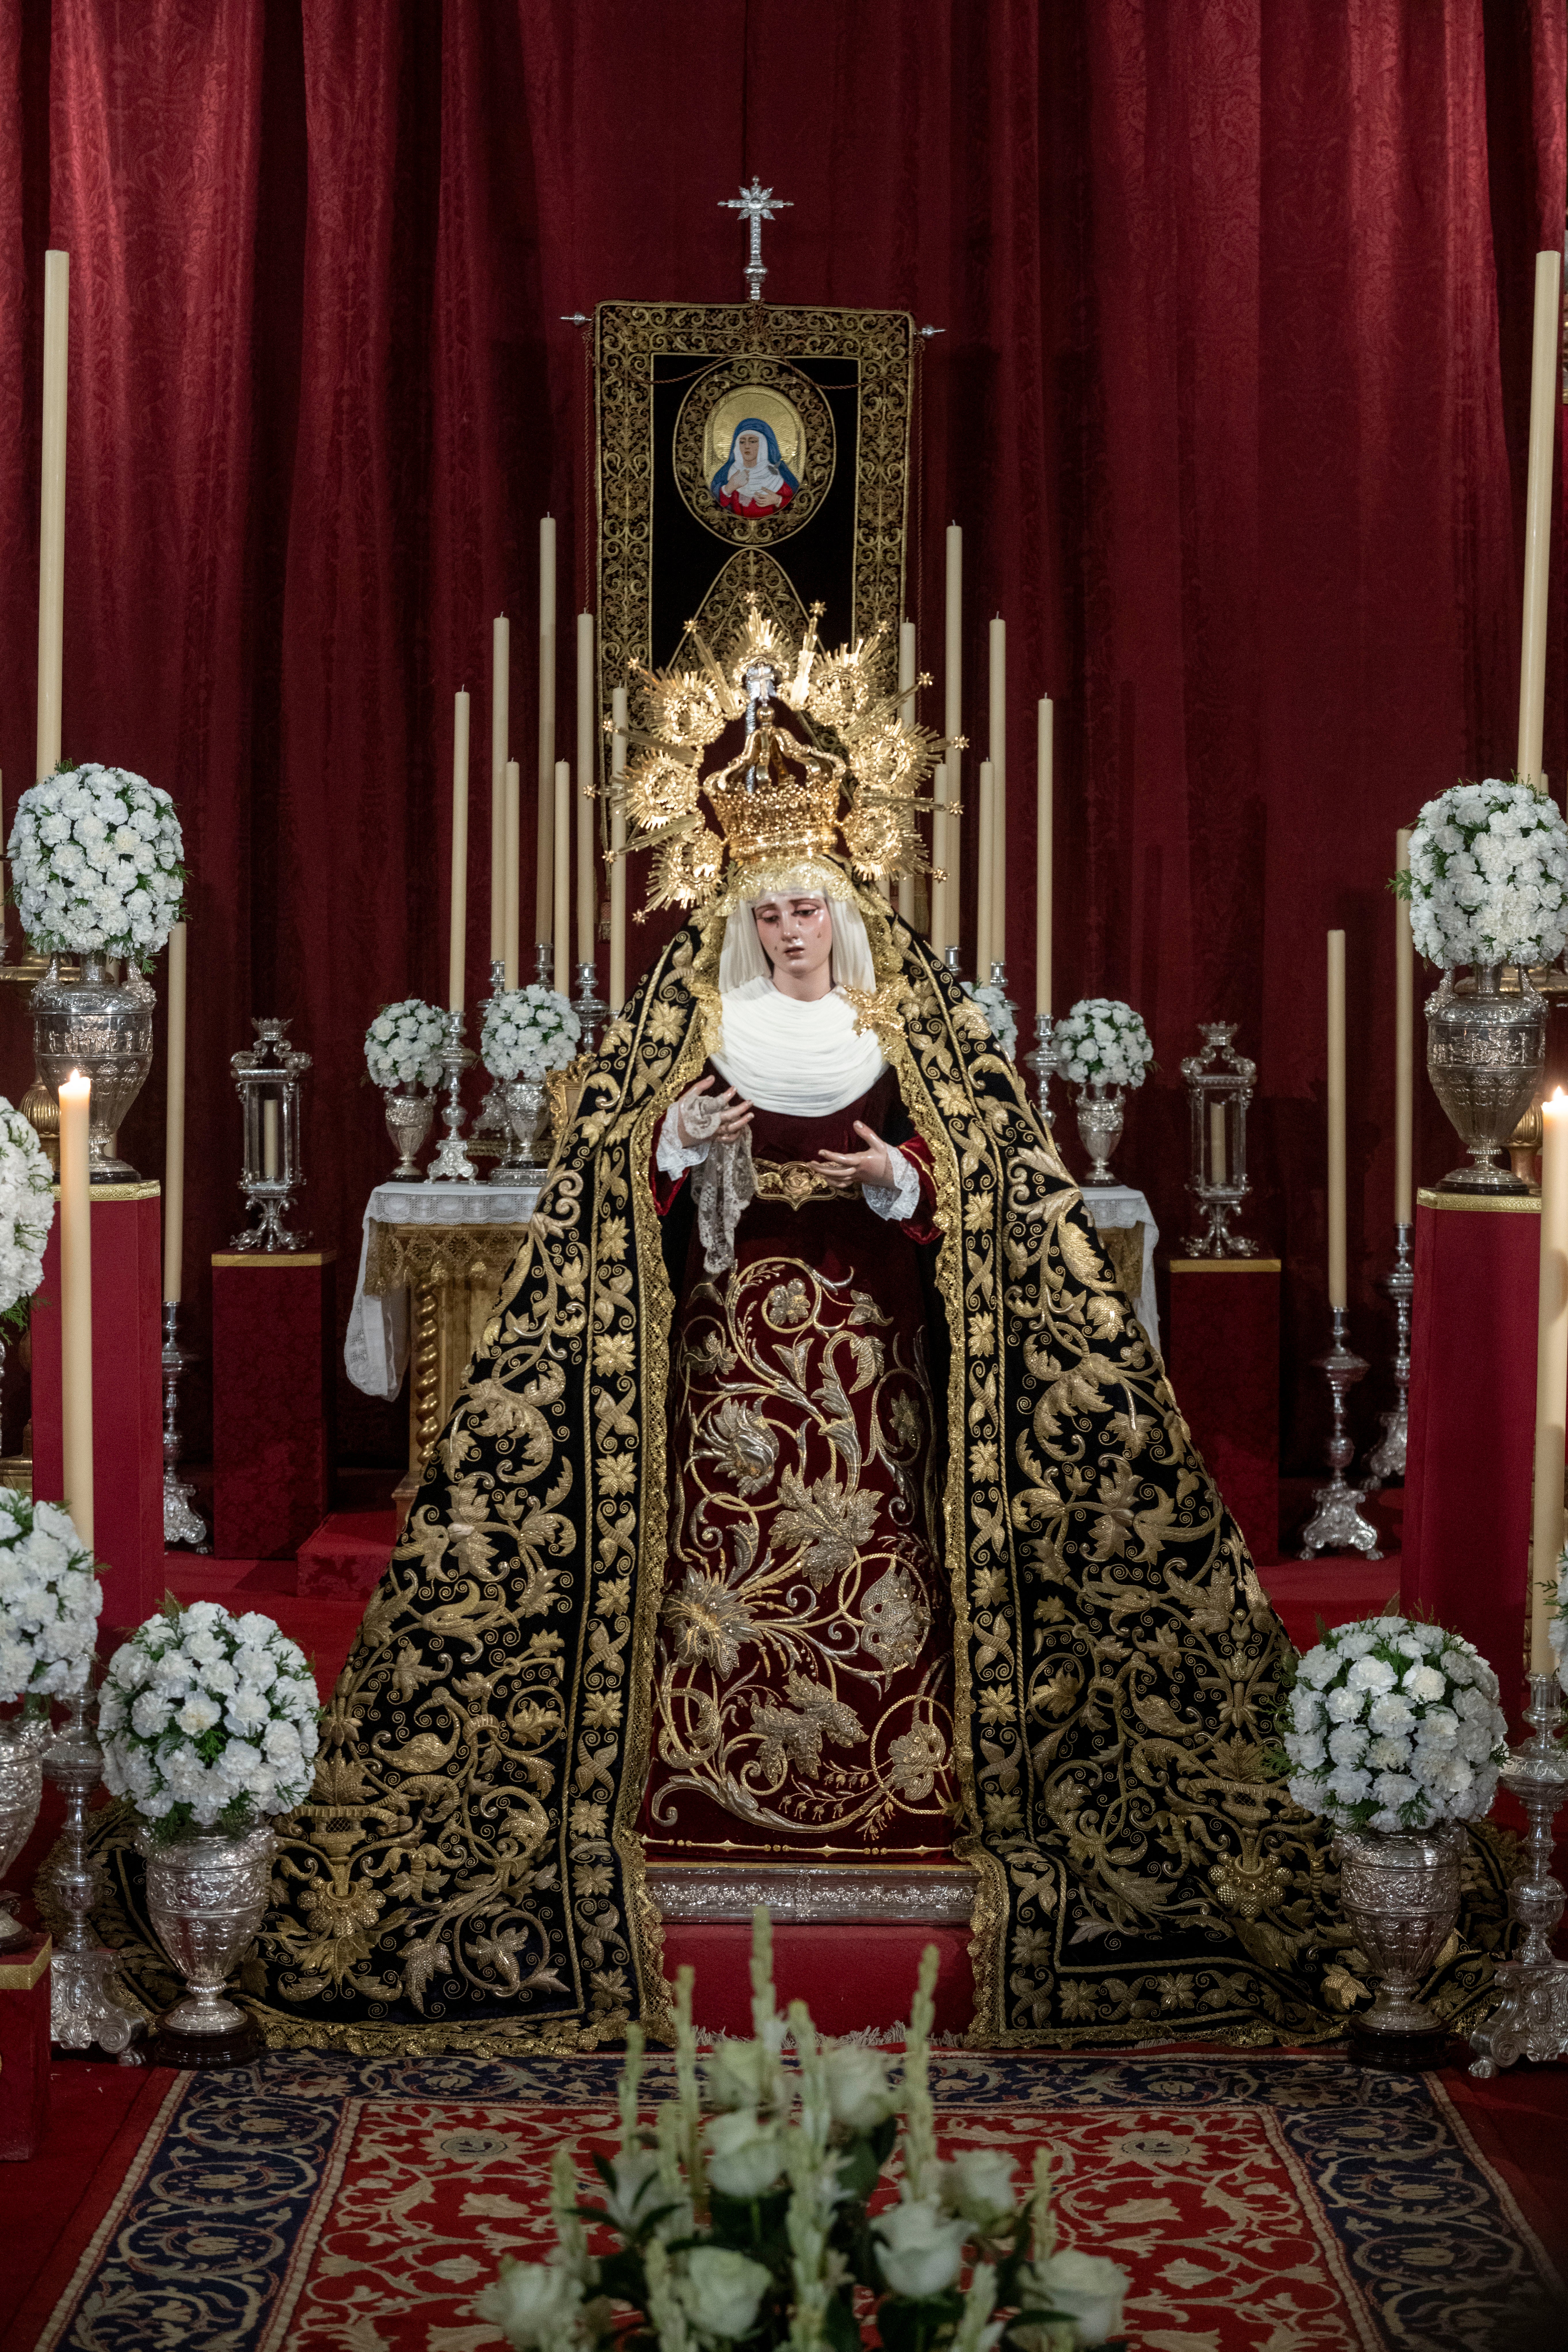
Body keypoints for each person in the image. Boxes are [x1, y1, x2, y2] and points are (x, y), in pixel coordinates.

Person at [92, 612, 1512, 2055]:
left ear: (843, 899)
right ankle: (684, 1797)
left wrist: (900, 1177)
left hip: (877, 1381)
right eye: (766, 908)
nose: (789, 927)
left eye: (807, 905)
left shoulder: (917, 1027)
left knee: (886, 1593)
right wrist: (667, 1143)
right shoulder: (682, 1017)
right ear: (735, 910)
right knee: (717, 1598)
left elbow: (996, 1187)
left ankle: (919, 1800)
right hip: (718, 1388)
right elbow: (595, 1181)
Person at [710, 416, 798, 516]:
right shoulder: (729, 473)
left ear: (763, 445)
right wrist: (729, 488)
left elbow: (797, 504)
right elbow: (713, 504)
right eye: (742, 442)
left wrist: (778, 500)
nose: (747, 446)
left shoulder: (776, 475)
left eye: (753, 441)